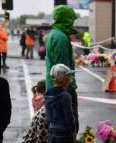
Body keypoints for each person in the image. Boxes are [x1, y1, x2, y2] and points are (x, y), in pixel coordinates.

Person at [46, 5, 79, 133]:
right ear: (66, 19)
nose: (73, 22)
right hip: (62, 89)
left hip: (55, 87)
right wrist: (68, 89)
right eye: (71, 19)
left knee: (56, 127)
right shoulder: (60, 38)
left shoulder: (56, 34)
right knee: (68, 127)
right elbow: (61, 69)